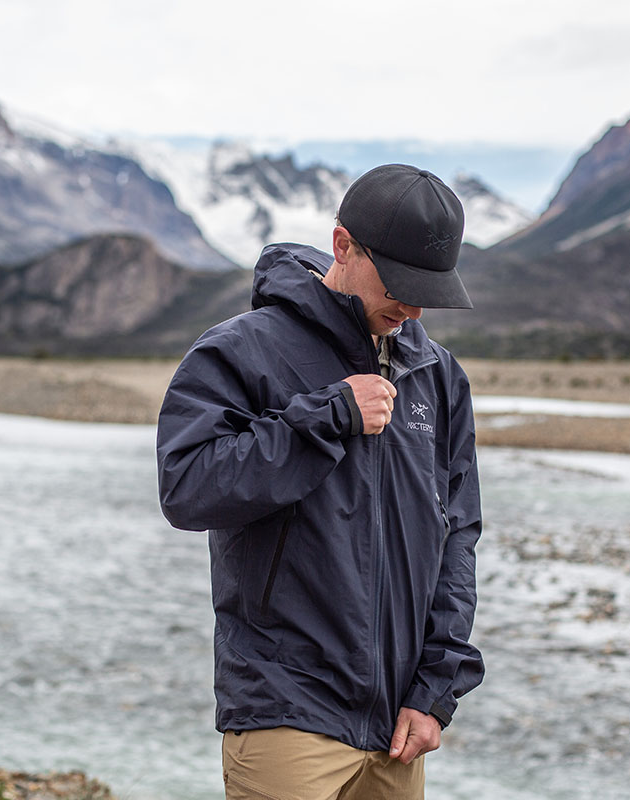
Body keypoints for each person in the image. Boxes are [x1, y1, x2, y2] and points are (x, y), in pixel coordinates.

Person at [156, 164, 484, 799]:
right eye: (400, 284)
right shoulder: (242, 351)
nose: (413, 308)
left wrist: (435, 690)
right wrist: (328, 416)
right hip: (286, 711)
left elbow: (458, 538)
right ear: (343, 246)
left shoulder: (439, 376)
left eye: (429, 290)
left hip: (398, 726)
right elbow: (187, 488)